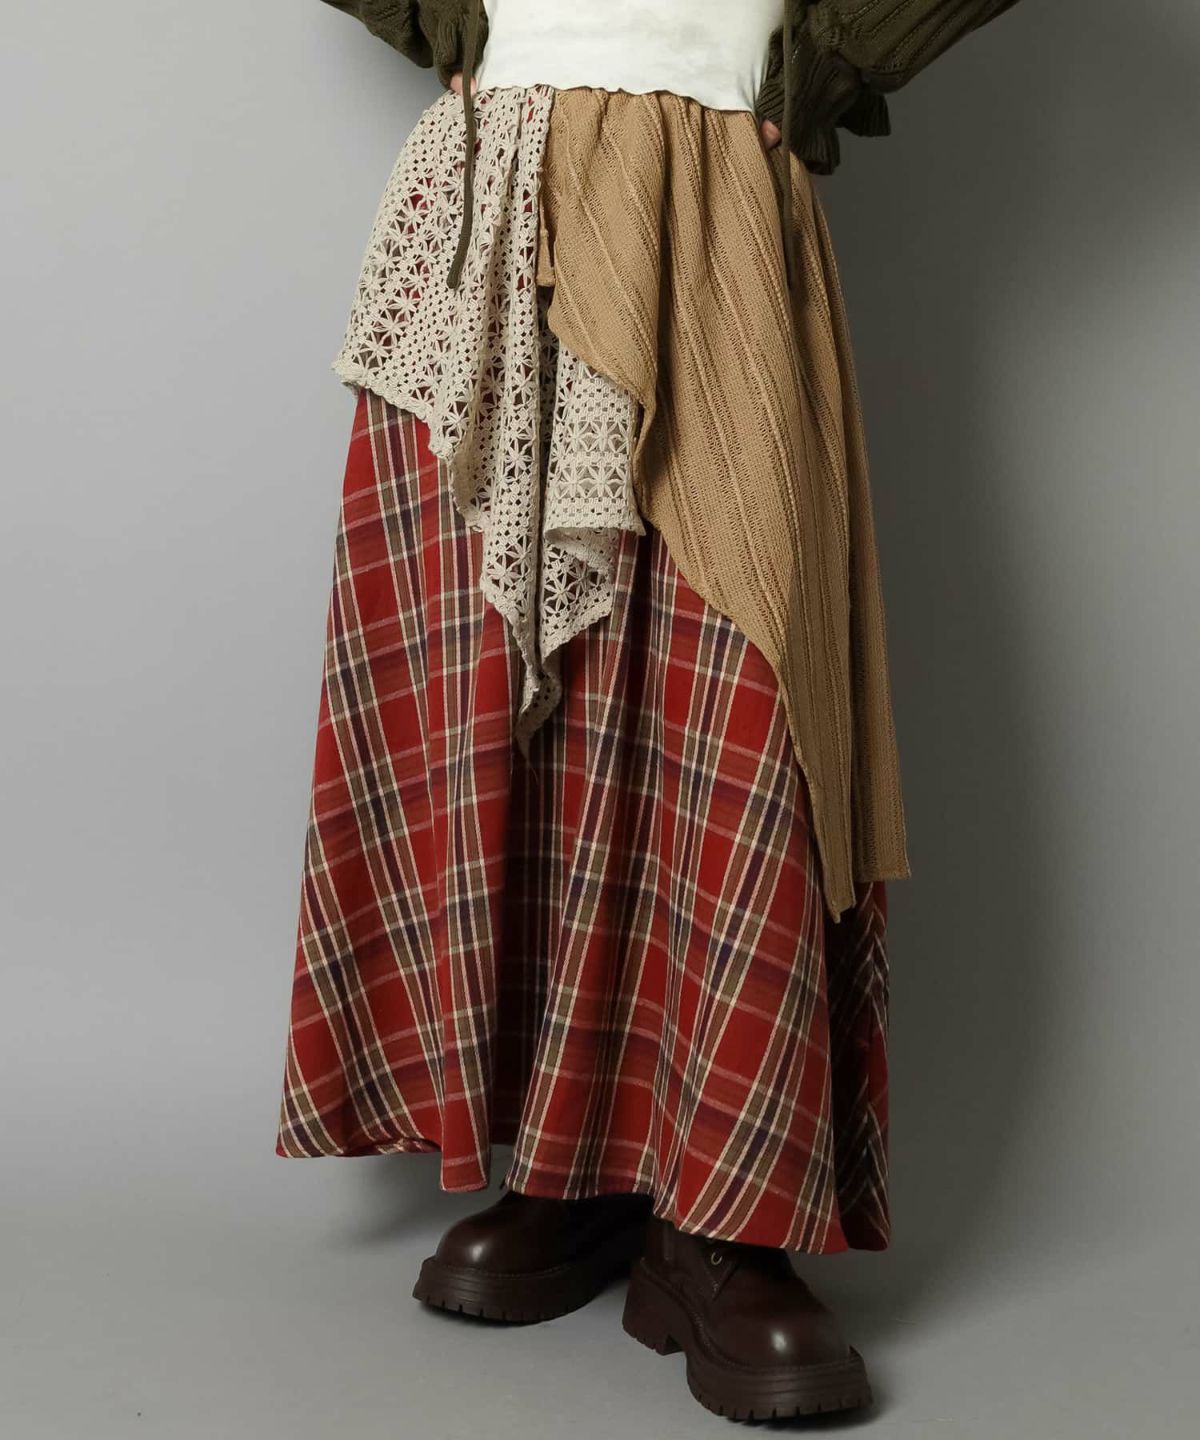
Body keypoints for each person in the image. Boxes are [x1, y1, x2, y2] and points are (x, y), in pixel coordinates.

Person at [278, 0, 1020, 1421]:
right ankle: (569, 1165)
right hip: (497, 187)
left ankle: (723, 1214)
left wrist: (834, 59)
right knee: (517, 708)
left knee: (737, 691)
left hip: (720, 183)